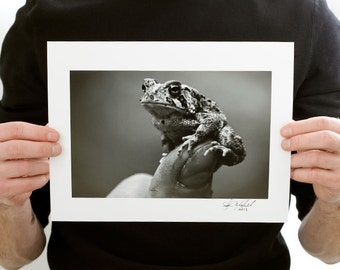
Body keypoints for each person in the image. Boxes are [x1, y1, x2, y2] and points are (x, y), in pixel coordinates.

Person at [0, 0, 340, 269]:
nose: (155, 94)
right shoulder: (46, 15)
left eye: (170, 91)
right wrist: (6, 201)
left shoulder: (302, 14)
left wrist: (336, 199)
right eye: (149, 89)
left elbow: (326, 251)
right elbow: (13, 256)